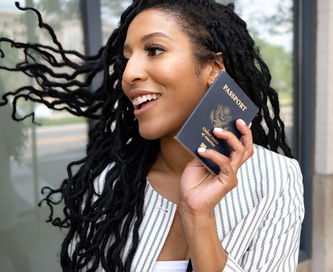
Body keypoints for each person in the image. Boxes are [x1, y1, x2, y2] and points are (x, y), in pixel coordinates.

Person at [0, 0, 304, 271]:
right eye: (126, 58)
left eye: (154, 50)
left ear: (213, 67)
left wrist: (198, 215)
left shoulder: (275, 179)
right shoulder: (109, 184)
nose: (129, 73)